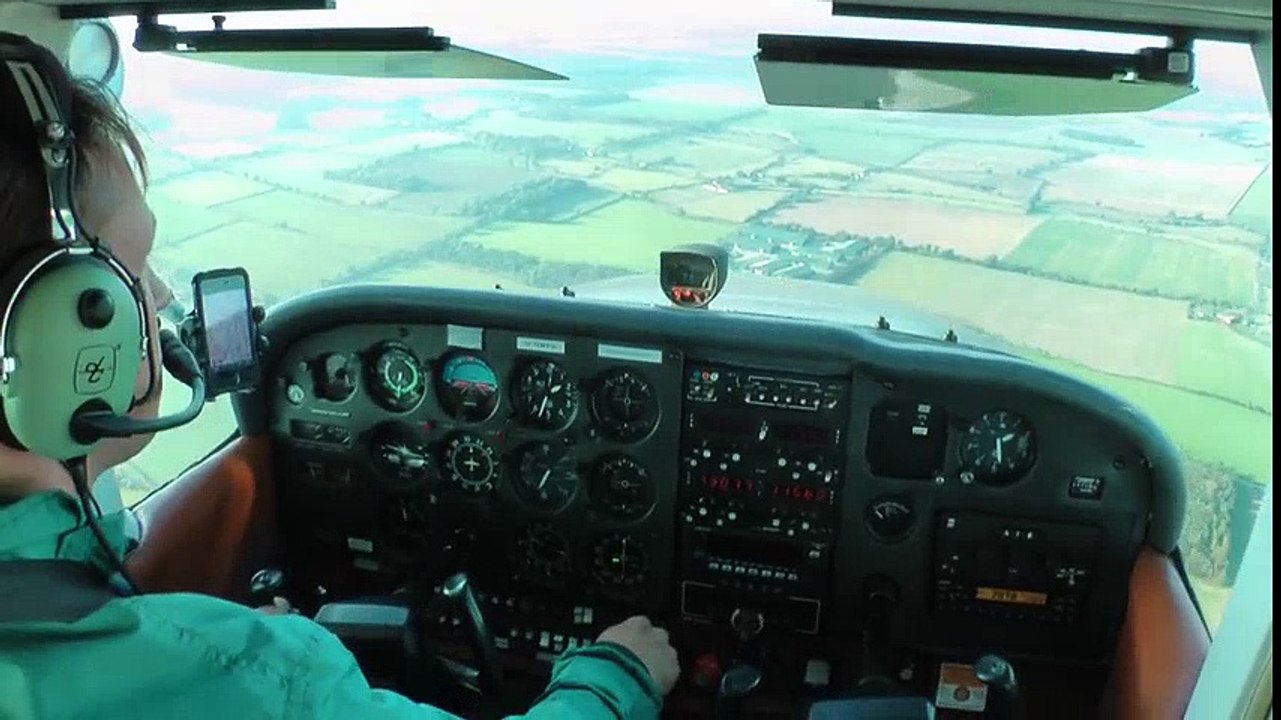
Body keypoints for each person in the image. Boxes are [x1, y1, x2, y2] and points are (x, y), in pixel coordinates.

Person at [0, 35, 680, 719]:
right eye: (131, 277)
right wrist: (615, 678)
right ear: (57, 331)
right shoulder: (250, 675)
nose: (163, 296)